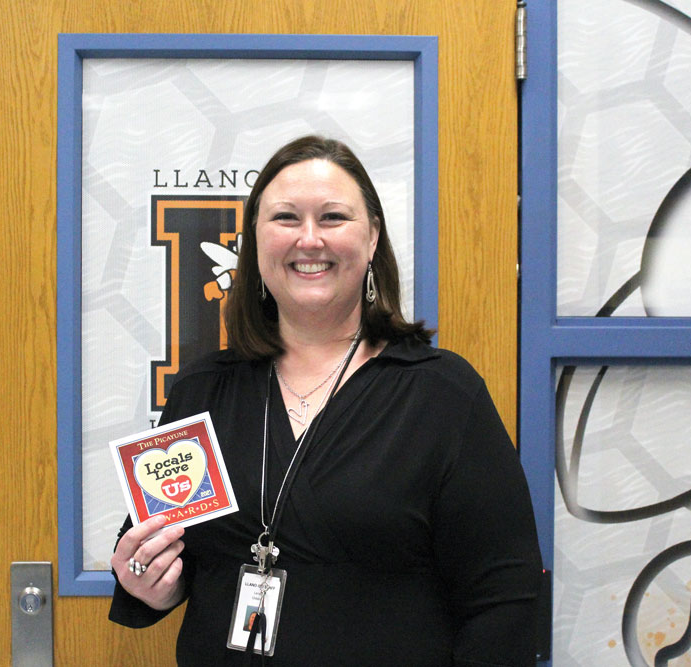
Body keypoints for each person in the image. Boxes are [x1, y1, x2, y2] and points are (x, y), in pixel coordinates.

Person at [110, 135, 542, 666]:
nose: (309, 239)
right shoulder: (202, 392)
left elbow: (505, 600)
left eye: (333, 217)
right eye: (286, 218)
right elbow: (158, 555)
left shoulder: (443, 395)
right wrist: (148, 582)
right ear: (255, 242)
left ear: (372, 237)